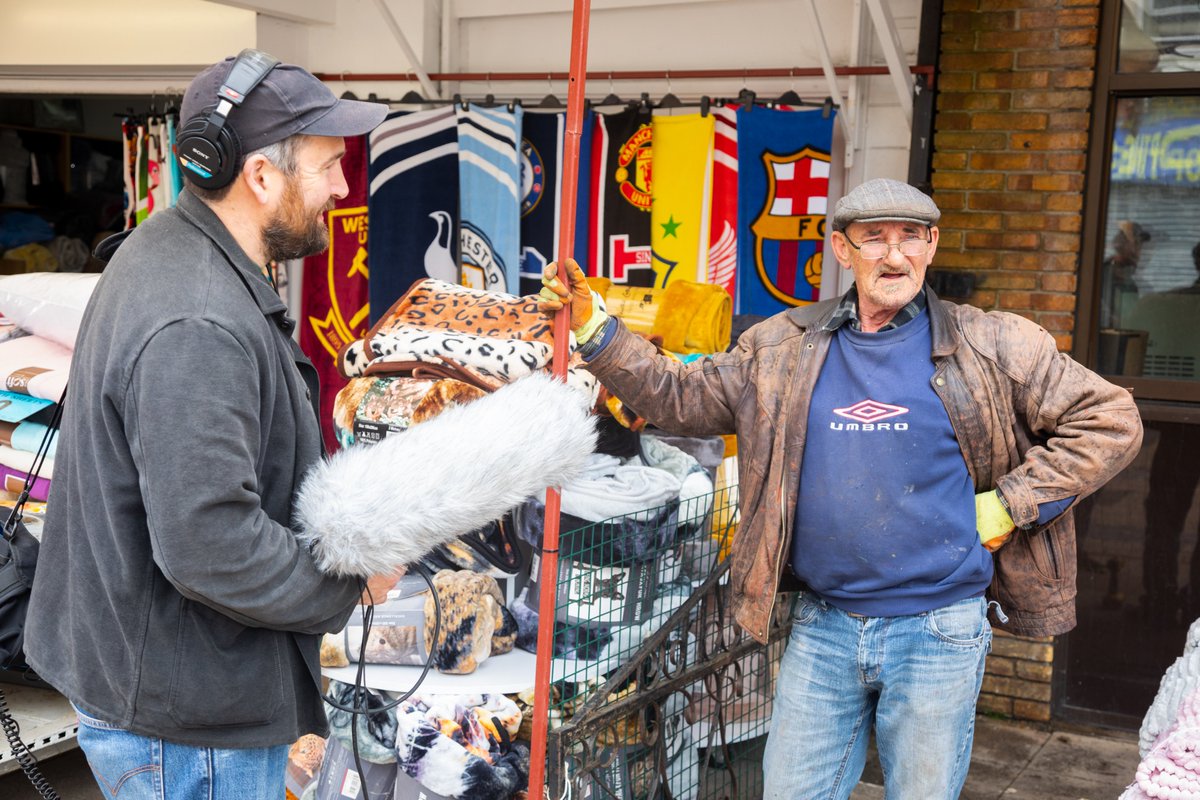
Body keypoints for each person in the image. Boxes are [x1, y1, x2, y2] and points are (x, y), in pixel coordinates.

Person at [539, 178, 1144, 799]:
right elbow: (681, 397)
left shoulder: (992, 344)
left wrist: (1012, 503)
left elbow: (1111, 420)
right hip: (824, 624)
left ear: (932, 246)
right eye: (874, 238)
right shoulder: (781, 346)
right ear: (841, 249)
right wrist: (595, 329)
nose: (894, 254)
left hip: (939, 627)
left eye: (911, 236)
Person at [23, 52, 401, 799]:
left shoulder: (176, 252)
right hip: (184, 727)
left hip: (174, 698)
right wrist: (347, 584)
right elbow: (210, 544)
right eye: (328, 166)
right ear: (259, 176)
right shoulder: (196, 318)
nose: (342, 187)